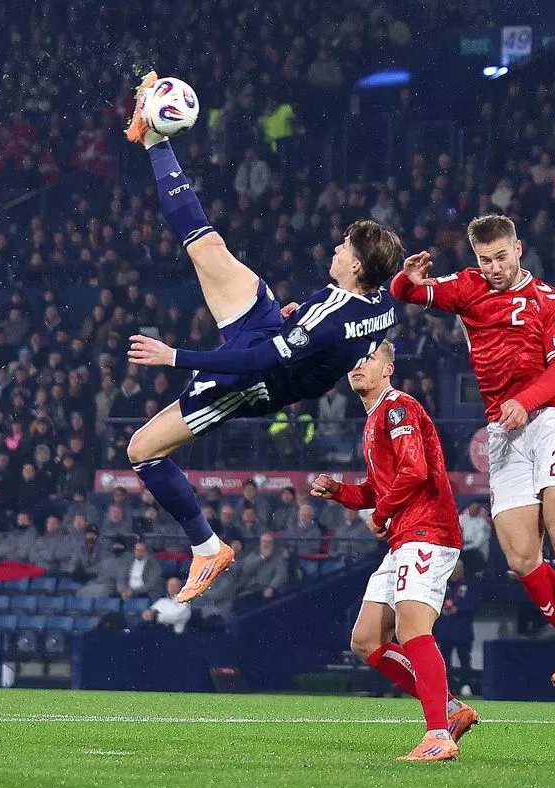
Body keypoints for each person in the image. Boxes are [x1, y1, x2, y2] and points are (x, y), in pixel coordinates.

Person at [123, 70, 403, 604]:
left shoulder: (337, 316)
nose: (336, 249)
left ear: (357, 266)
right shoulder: (379, 299)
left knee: (141, 451)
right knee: (205, 245)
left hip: (255, 382)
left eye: (344, 248)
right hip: (273, 328)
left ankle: (208, 547)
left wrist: (174, 356)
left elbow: (259, 364)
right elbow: (341, 323)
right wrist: (304, 320)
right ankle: (155, 138)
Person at [390, 214, 555, 708]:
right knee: (521, 558)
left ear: (518, 249)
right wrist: (406, 279)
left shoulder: (551, 300)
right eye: (485, 259)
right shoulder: (468, 287)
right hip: (505, 430)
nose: (493, 267)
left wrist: (526, 401)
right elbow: (406, 294)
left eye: (500, 257)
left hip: (554, 416)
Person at [310, 341, 475, 761]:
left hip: (427, 531)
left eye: (368, 358)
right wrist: (339, 492)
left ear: (388, 368)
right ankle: (450, 710)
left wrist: (381, 515)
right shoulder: (373, 419)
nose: (357, 365)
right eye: (353, 360)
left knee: (413, 630)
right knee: (366, 639)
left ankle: (437, 735)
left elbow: (415, 471)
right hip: (404, 536)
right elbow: (378, 488)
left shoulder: (398, 407)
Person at [436, 561, 478, 694]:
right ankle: (446, 685)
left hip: (463, 629)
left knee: (464, 658)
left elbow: (474, 604)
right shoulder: (442, 585)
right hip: (445, 629)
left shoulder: (470, 585)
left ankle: (465, 684)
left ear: (462, 571)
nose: (454, 574)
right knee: (444, 659)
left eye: (457, 571)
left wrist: (458, 609)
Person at [457, 502, 492, 575]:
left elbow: (477, 543)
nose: (472, 510)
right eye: (471, 508)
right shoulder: (462, 518)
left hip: (477, 552)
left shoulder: (483, 524)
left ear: (479, 510)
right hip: (462, 548)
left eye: (475, 508)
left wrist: (462, 548)